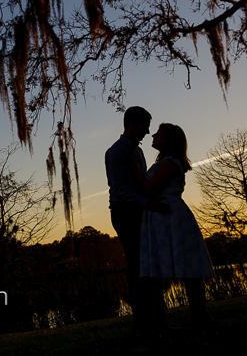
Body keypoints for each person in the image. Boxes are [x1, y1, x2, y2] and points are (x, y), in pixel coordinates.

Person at [131, 123, 215, 326]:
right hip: (162, 215)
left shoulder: (170, 162)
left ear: (167, 139)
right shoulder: (167, 161)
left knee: (189, 267)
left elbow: (150, 188)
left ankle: (199, 315)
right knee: (186, 266)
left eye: (158, 133)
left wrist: (134, 169)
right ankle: (198, 315)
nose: (153, 135)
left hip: (171, 216)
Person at [105, 106, 168, 332]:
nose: (147, 131)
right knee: (137, 265)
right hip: (124, 212)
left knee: (151, 263)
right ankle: (142, 322)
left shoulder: (138, 152)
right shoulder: (115, 152)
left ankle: (158, 321)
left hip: (141, 211)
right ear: (132, 124)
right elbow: (120, 189)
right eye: (144, 126)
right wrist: (147, 203)